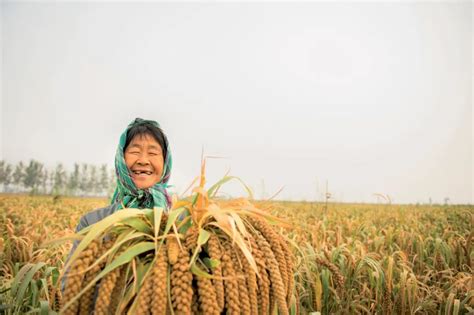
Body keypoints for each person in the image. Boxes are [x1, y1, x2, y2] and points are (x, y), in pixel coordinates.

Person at [61, 117, 172, 291]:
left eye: (152, 153)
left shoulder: (181, 224)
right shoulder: (94, 223)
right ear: (121, 158)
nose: (143, 160)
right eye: (135, 151)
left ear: (165, 162)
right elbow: (70, 289)